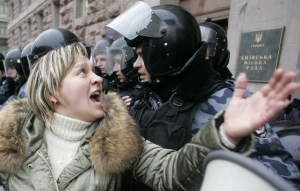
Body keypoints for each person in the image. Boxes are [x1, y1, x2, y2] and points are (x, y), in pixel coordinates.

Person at [0, 27, 297, 191]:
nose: (98, 78)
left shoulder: (120, 138)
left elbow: (173, 172)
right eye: (82, 72)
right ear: (53, 92)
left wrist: (223, 133)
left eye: (95, 69)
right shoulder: (9, 139)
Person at [107, 1, 300, 188]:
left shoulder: (225, 102)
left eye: (141, 55)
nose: (135, 64)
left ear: (166, 53)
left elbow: (281, 176)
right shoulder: (151, 95)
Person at [199, 21, 300, 185]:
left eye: (207, 50)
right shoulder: (174, 92)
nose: (201, 56)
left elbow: (281, 172)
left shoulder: (236, 97)